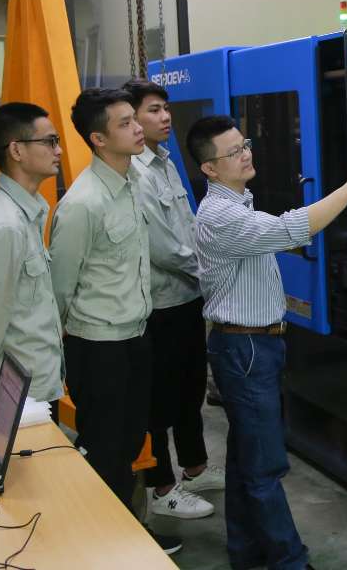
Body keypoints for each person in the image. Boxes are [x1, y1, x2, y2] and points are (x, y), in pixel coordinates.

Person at [187, 115, 347, 570]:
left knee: (246, 459)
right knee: (265, 467)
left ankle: (246, 551)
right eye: (234, 152)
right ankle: (290, 561)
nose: (246, 154)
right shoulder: (221, 216)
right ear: (210, 168)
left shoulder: (238, 203)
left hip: (253, 346)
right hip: (245, 350)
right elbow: (289, 230)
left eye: (245, 144)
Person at [48, 88, 180, 555]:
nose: (139, 128)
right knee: (104, 449)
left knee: (127, 446)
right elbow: (58, 288)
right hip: (97, 346)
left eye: (134, 119)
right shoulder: (83, 204)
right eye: (125, 123)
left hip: (135, 338)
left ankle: (126, 535)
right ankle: (102, 546)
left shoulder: (131, 185)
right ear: (98, 139)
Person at [123, 79, 219, 522]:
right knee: (159, 399)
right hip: (160, 303)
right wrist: (211, 269)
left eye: (166, 108)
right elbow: (163, 247)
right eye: (153, 110)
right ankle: (161, 486)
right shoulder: (136, 173)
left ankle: (194, 468)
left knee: (189, 387)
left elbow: (188, 224)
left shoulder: (165, 161)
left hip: (186, 295)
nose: (164, 117)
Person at [0, 102, 64, 421]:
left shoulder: (24, 213)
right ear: (16, 150)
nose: (58, 150)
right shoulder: (5, 225)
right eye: (49, 141)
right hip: (15, 395)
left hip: (33, 384)